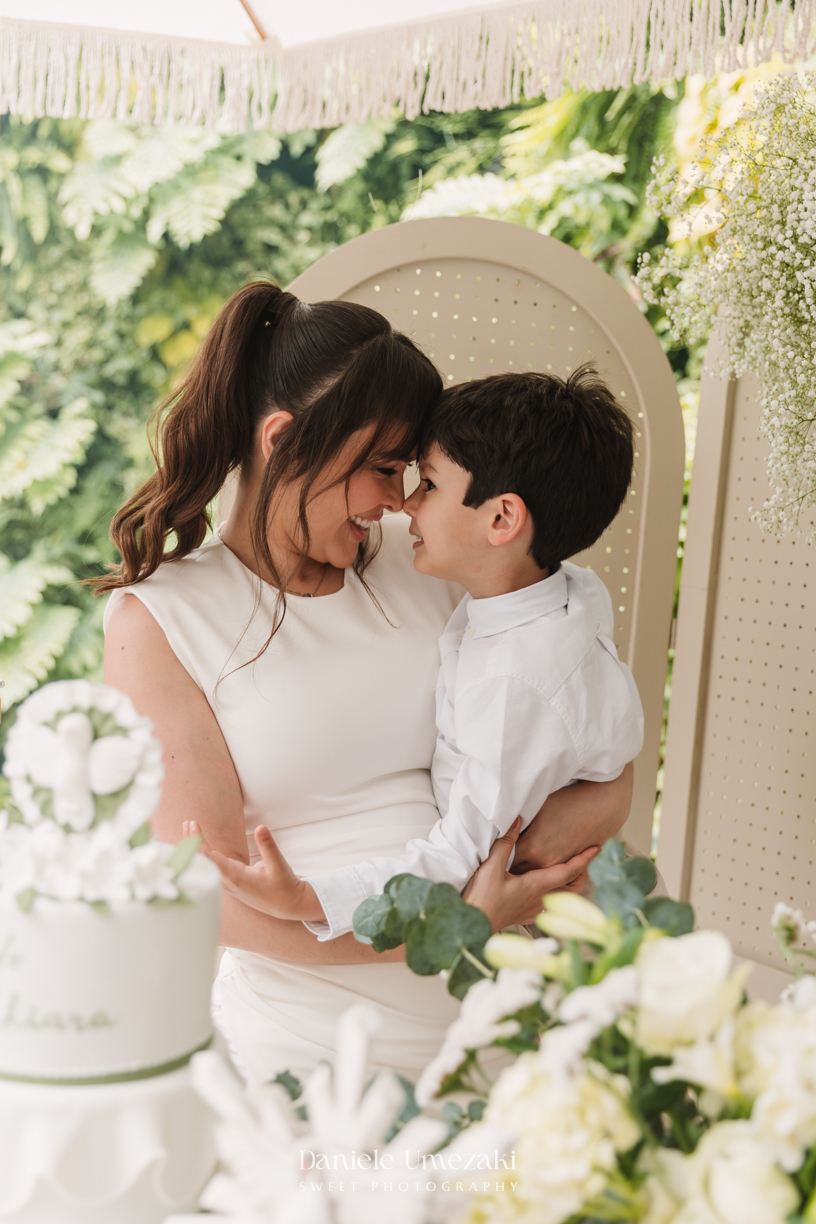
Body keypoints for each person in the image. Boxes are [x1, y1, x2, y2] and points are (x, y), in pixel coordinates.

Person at [102, 280, 633, 1086]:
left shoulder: (434, 560)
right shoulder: (164, 620)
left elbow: (597, 750)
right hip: (317, 1043)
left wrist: (517, 880)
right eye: (383, 468)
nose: (397, 499)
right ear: (283, 439)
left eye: (411, 473)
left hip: (505, 1012)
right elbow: (206, 894)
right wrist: (446, 930)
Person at [194, 369, 643, 939]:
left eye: (427, 484)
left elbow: (460, 859)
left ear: (502, 518)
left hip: (559, 935)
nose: (404, 503)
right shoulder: (565, 594)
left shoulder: (517, 685)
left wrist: (311, 898)